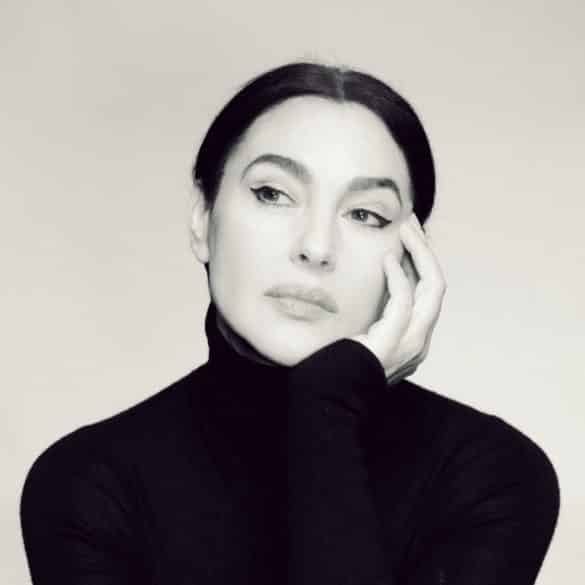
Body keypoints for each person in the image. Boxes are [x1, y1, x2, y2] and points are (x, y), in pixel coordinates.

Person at [19, 61, 560, 585]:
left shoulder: (491, 476)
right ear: (202, 219)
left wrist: (327, 408)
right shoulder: (88, 484)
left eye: (365, 214)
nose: (316, 247)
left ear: (412, 256)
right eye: (273, 194)